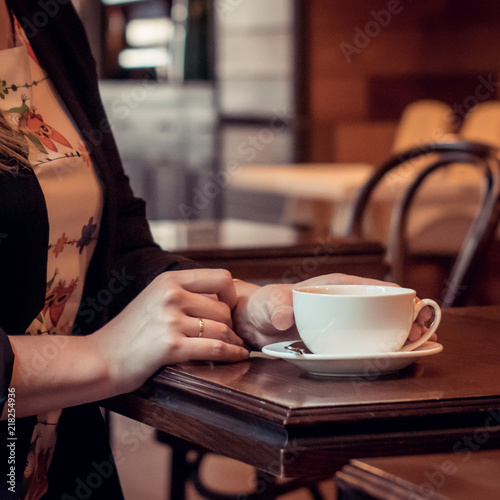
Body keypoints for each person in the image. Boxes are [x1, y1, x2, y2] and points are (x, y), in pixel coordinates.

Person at [0, 1, 432, 498]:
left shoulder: (46, 20)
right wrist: (104, 356)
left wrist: (251, 306)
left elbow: (116, 251)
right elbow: (111, 339)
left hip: (59, 465)